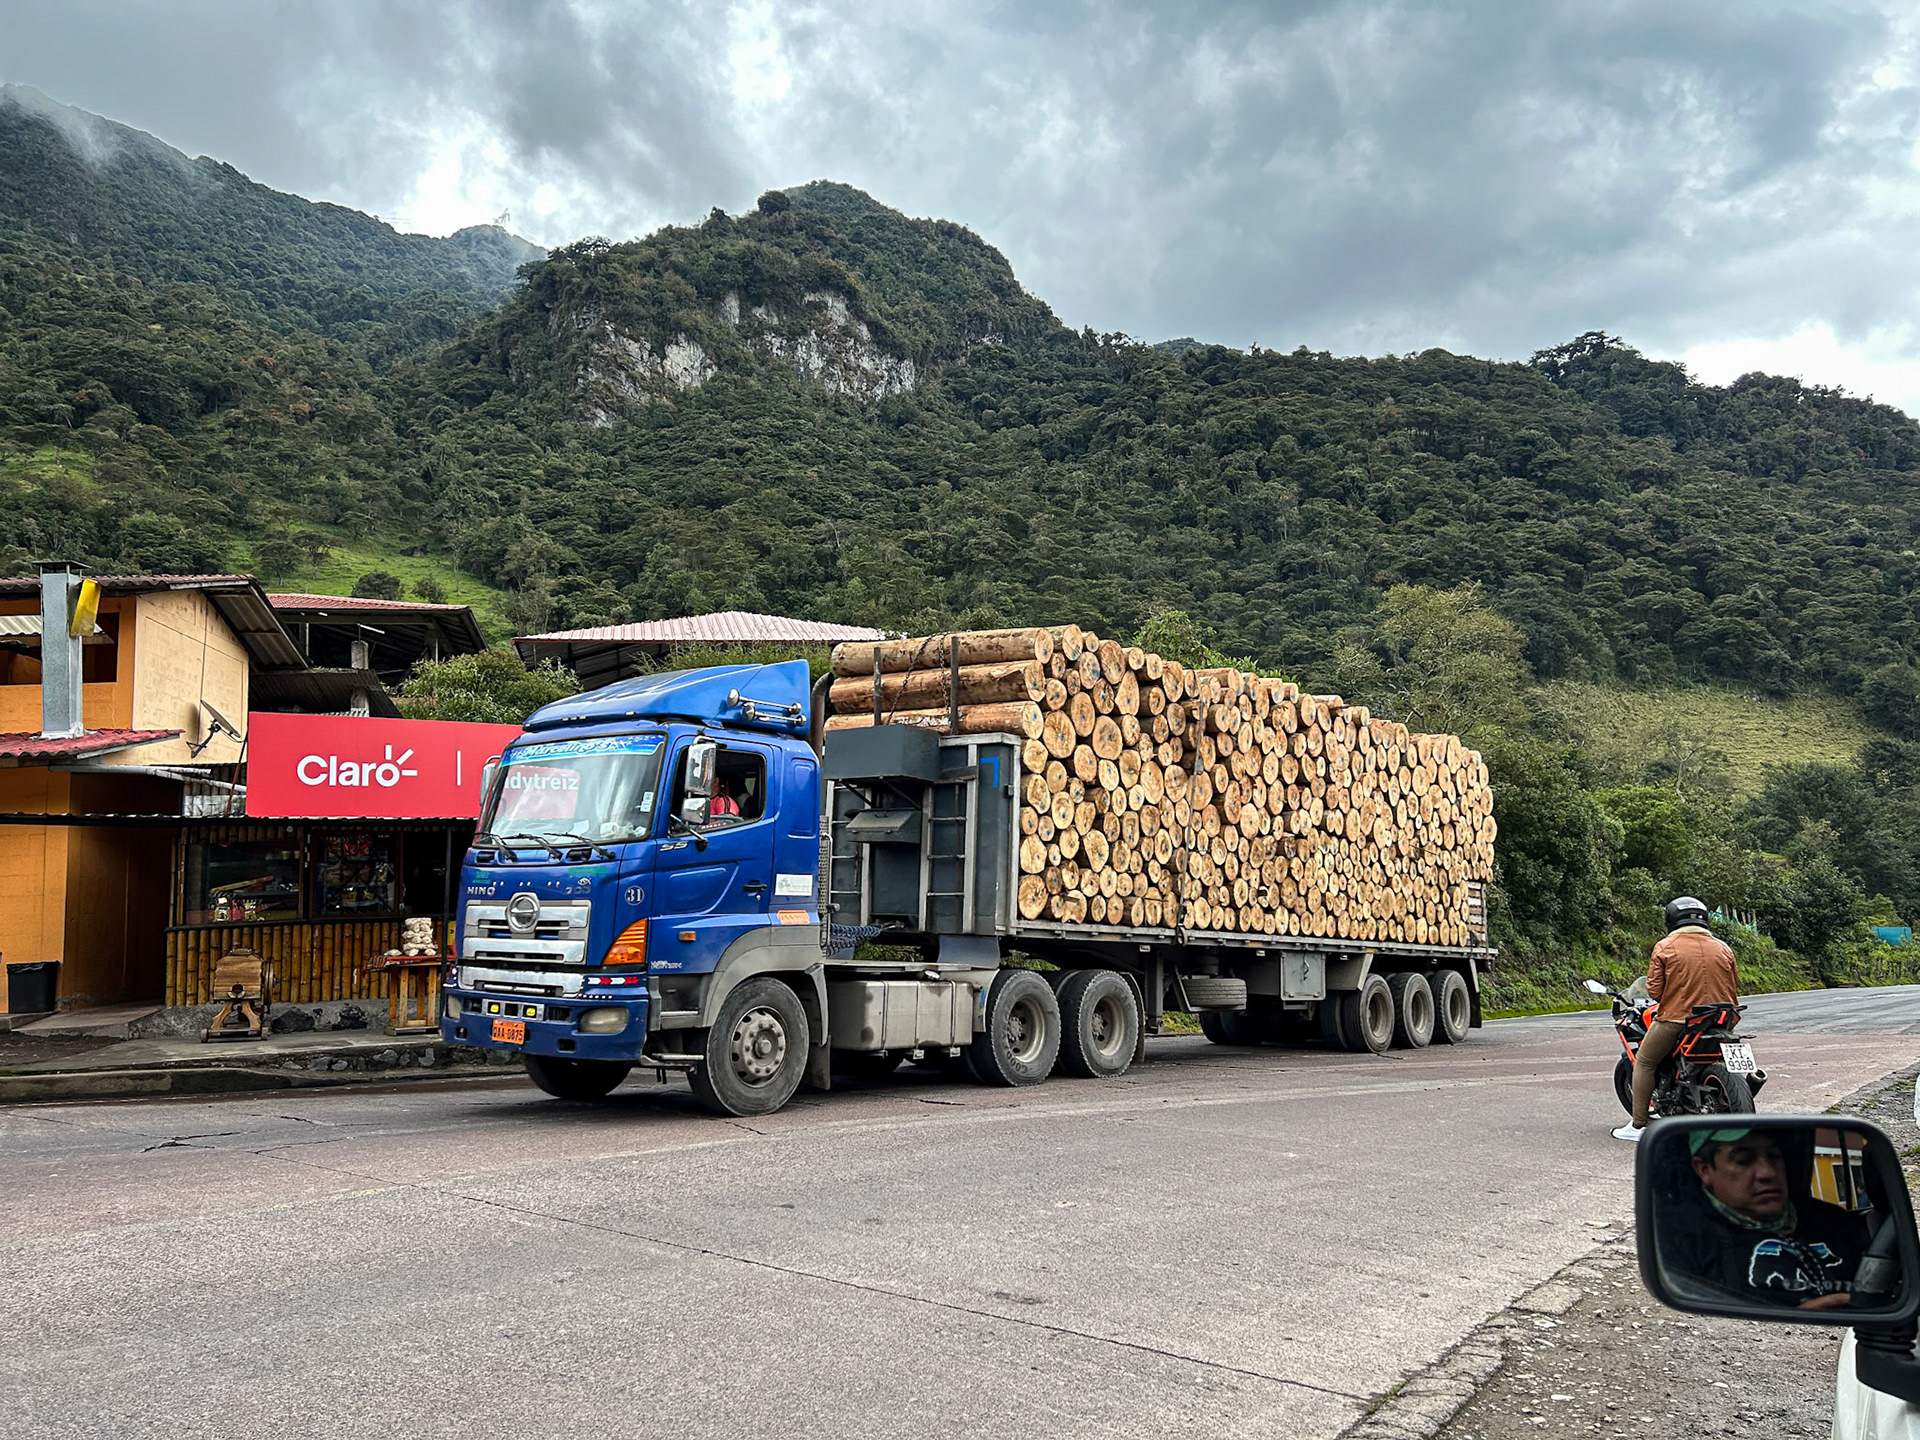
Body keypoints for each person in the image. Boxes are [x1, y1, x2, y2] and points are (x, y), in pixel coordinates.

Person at [1666, 1128, 1867, 1309]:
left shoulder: (1835, 1221)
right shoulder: (1686, 1238)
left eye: (1774, 1156)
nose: (1767, 1173)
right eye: (1743, 1160)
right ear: (1704, 1169)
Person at [1613, 896, 1740, 1142]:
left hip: (1679, 1020)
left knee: (1645, 1062)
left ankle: (1639, 1125)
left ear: (1671, 919)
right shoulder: (1724, 947)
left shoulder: (1666, 946)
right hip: (1722, 1019)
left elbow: (1655, 992)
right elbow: (1733, 984)